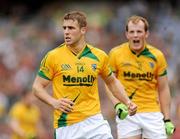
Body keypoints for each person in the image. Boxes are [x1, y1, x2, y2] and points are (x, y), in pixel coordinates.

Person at [32, 11, 137, 139]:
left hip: (95, 122)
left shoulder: (99, 56)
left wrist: (127, 101)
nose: (66, 32)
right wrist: (54, 102)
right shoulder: (53, 56)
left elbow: (112, 82)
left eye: (71, 28)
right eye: (64, 28)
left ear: (83, 30)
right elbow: (37, 87)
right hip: (66, 125)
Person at [108, 15, 175, 139]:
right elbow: (110, 83)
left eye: (139, 31)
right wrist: (117, 105)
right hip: (128, 113)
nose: (135, 35)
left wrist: (167, 119)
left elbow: (164, 89)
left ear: (146, 33)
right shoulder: (115, 54)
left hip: (152, 113)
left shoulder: (157, 56)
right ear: (126, 34)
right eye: (132, 32)